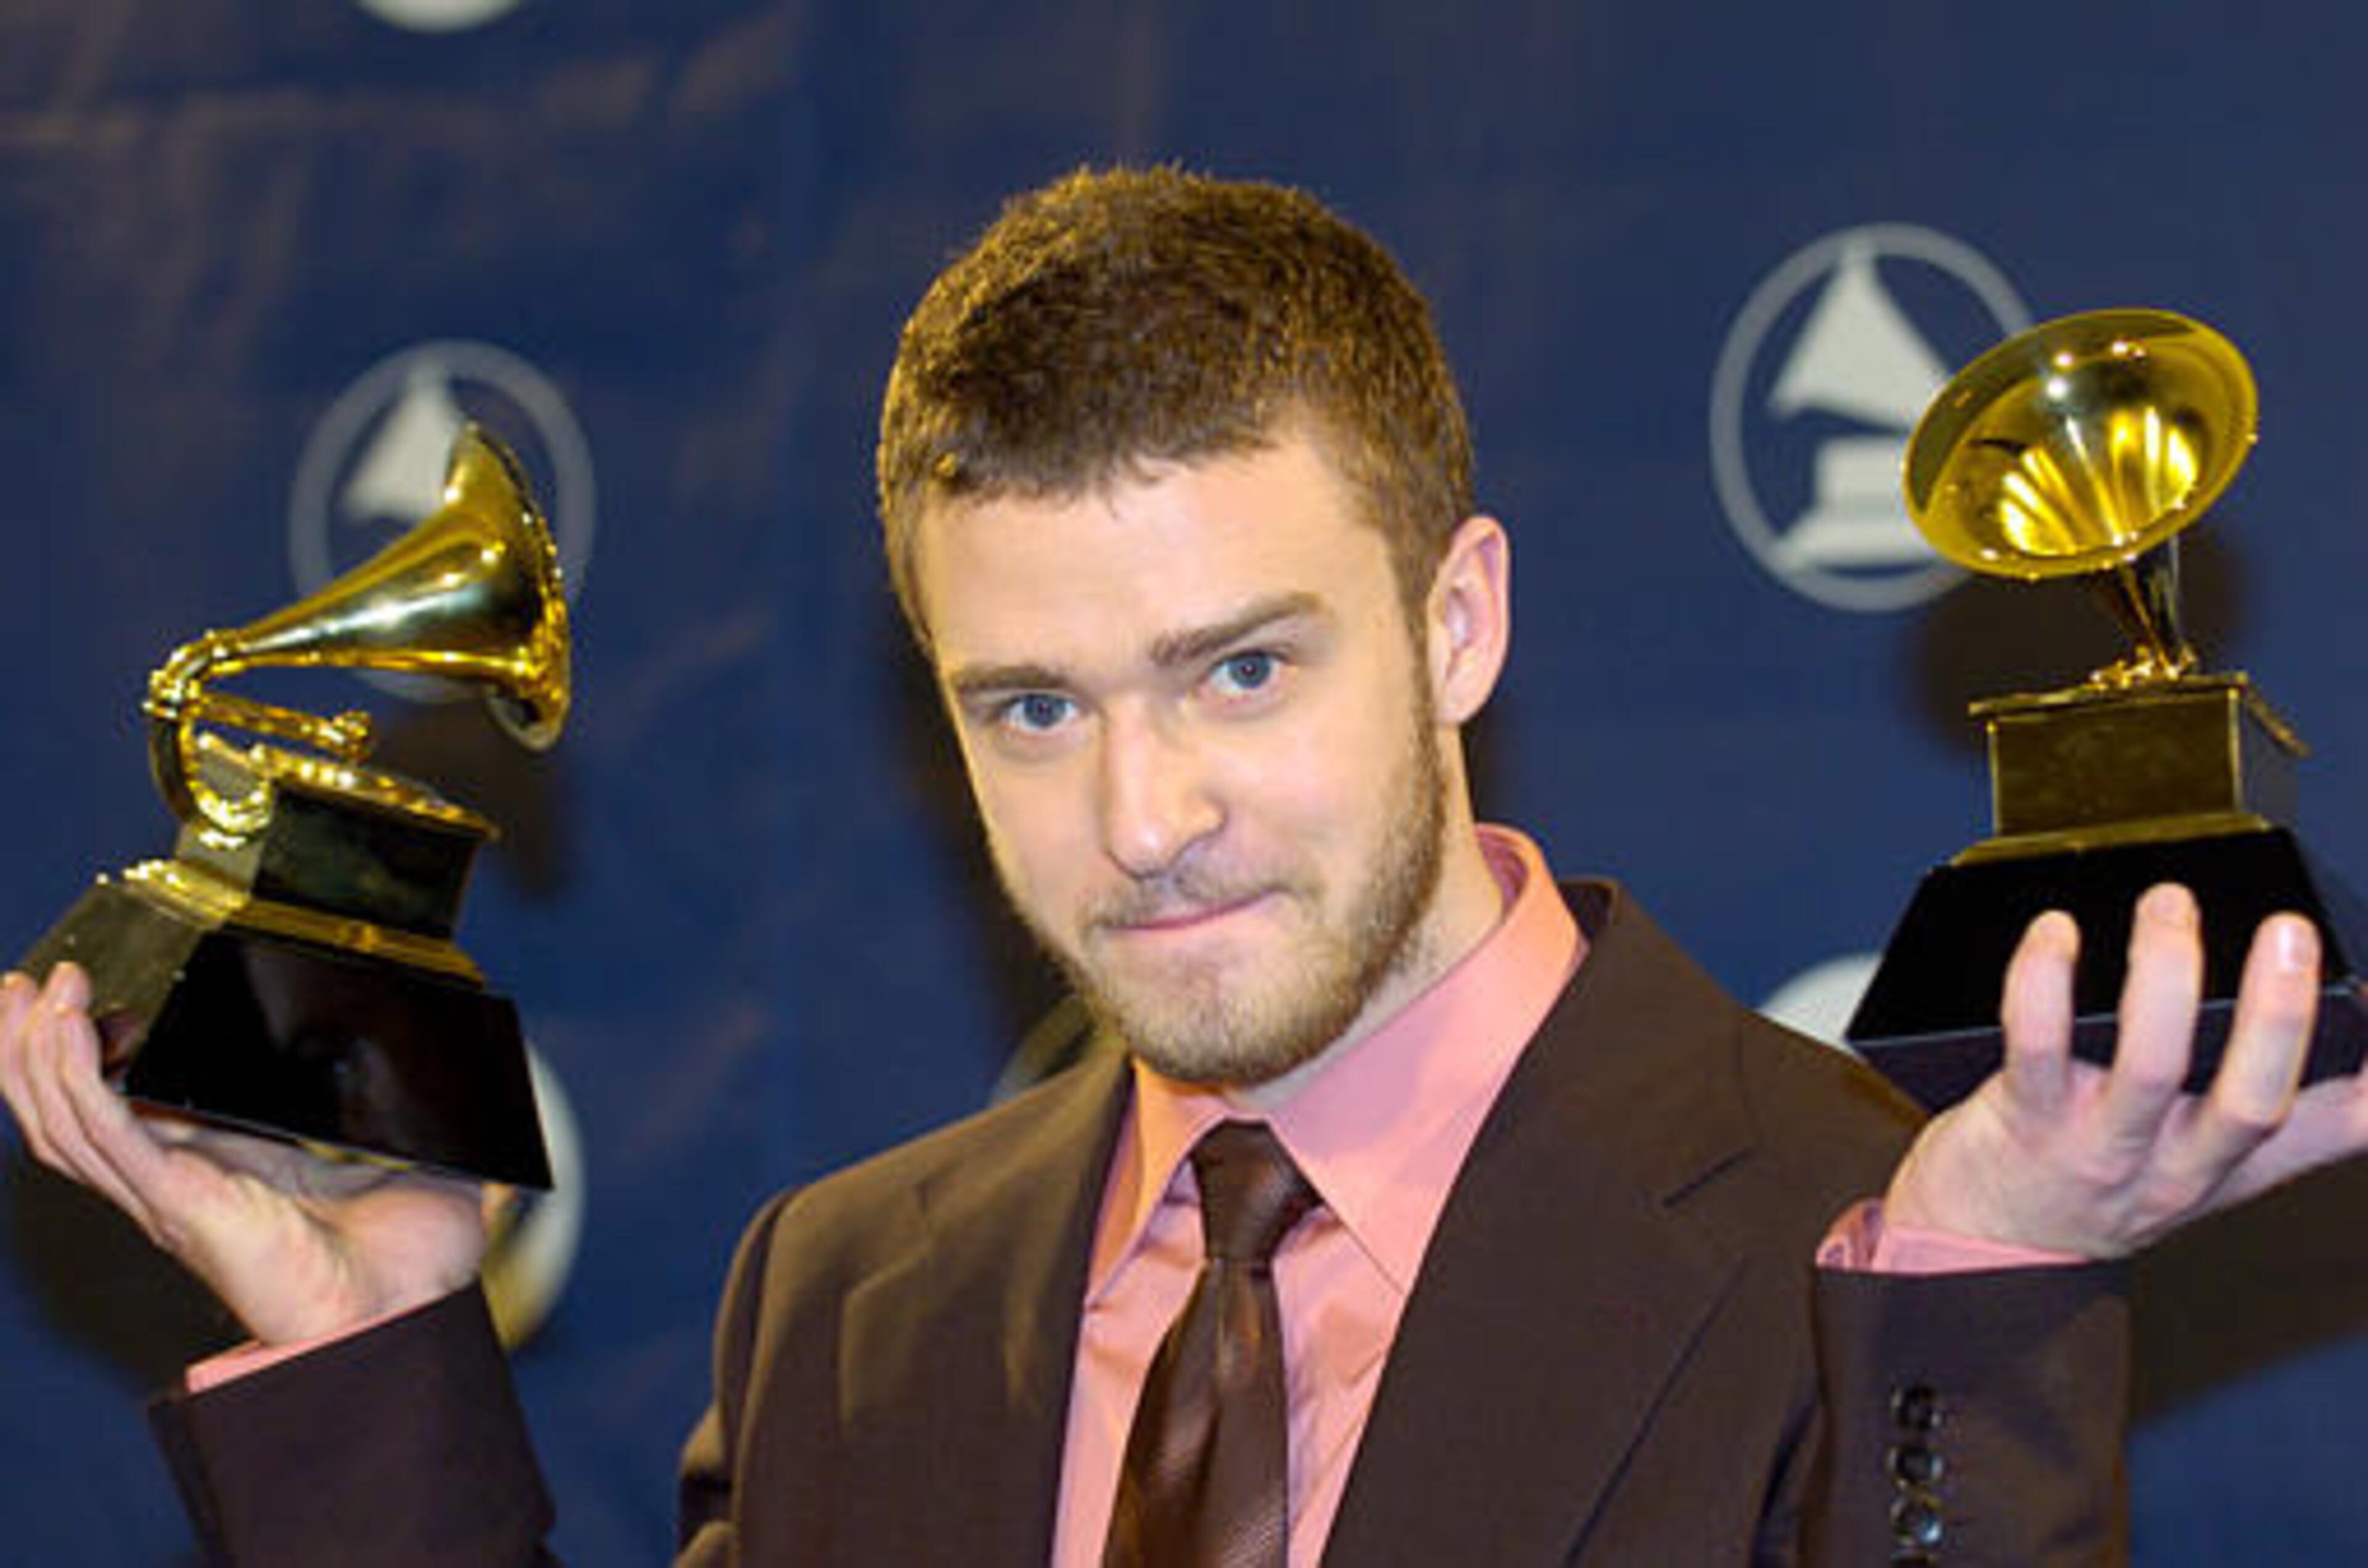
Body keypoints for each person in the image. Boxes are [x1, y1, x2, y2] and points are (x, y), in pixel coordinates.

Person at [3, 165, 2364, 1566]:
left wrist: (1987, 1293)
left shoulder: (1860, 1236)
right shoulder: (841, 1298)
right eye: (1032, 707)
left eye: (1239, 671)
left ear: (1460, 623)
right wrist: (366, 1367)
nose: (1140, 822)